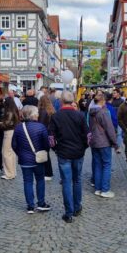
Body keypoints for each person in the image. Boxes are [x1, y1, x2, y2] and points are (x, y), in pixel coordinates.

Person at [49, 91, 89, 223]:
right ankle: (77, 207)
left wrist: (56, 149)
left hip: (64, 153)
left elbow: (51, 137)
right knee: (77, 180)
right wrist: (84, 147)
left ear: (61, 101)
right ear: (72, 102)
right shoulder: (80, 115)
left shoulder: (56, 116)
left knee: (66, 181)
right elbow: (88, 136)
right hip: (78, 152)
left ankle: (69, 213)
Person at [12, 105, 51, 214]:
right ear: (33, 114)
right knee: (40, 180)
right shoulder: (41, 127)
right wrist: (43, 152)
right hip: (38, 159)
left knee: (27, 181)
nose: (38, 114)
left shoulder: (18, 127)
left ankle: (30, 206)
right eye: (37, 113)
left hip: (24, 160)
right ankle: (41, 203)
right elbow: (46, 144)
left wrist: (20, 154)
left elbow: (14, 145)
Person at [89, 92, 118, 198]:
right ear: (102, 101)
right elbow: (110, 128)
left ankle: (97, 188)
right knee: (106, 165)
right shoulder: (103, 112)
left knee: (97, 165)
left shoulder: (91, 111)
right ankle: (105, 190)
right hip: (104, 142)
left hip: (94, 141)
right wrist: (115, 143)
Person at [0, 97, 20, 179]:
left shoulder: (9, 112)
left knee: (6, 153)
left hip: (9, 132)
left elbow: (6, 124)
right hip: (14, 131)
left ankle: (9, 174)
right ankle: (12, 172)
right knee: (11, 153)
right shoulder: (15, 110)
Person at [37, 95, 56, 180]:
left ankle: (47, 173)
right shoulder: (52, 111)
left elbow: (41, 124)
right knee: (46, 153)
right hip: (49, 134)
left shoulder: (42, 111)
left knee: (44, 154)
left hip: (43, 134)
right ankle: (48, 172)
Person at [110, 89, 124, 153]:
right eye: (113, 93)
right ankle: (115, 145)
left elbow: (122, 110)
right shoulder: (112, 101)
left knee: (119, 134)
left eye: (114, 93)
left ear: (118, 93)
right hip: (112, 119)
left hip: (119, 119)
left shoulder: (122, 100)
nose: (113, 94)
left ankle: (118, 148)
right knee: (113, 133)